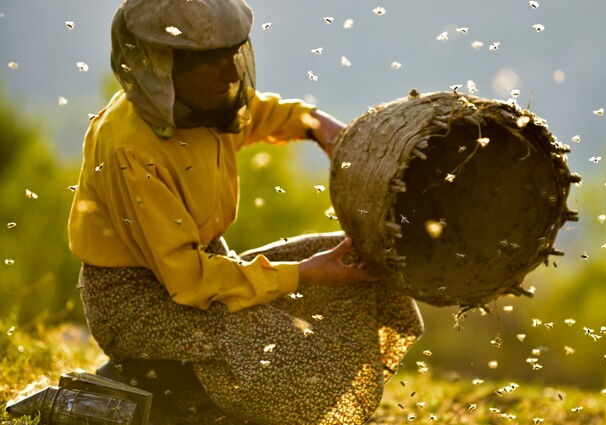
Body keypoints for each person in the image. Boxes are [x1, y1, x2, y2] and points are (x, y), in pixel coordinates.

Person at [67, 0, 423, 424]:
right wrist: (307, 273)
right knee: (287, 351)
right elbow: (189, 280)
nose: (232, 74)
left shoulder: (202, 105)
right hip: (138, 304)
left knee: (355, 266)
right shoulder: (130, 147)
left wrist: (318, 126)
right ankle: (161, 388)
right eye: (213, 62)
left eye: (232, 55)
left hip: (199, 274)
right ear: (165, 65)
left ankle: (181, 387)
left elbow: (258, 115)